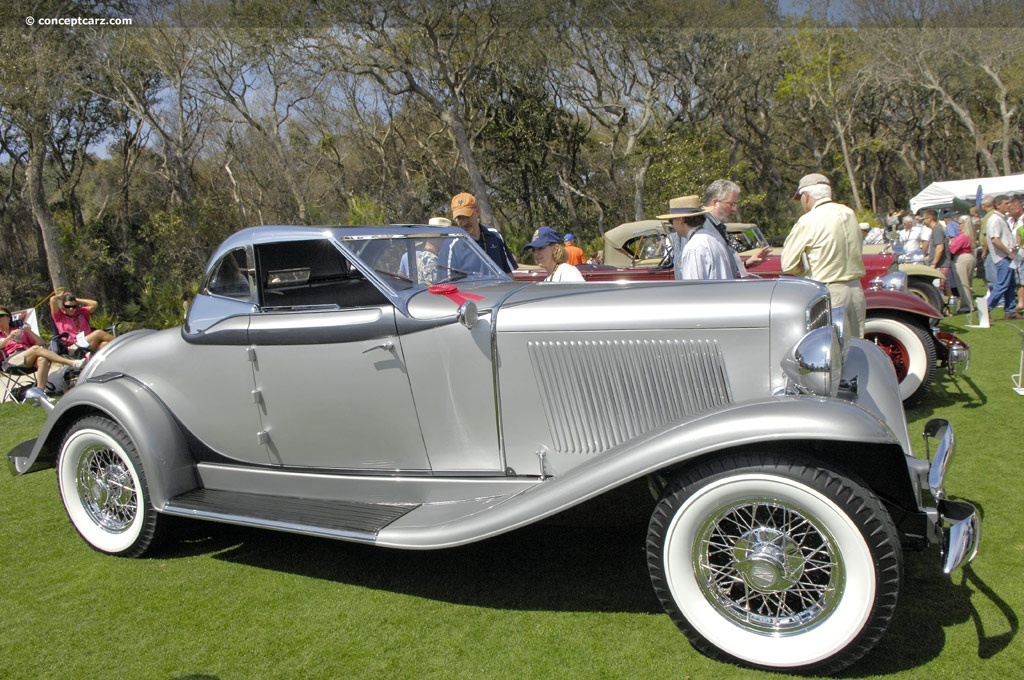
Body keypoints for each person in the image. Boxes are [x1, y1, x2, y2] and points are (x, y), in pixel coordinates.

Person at [781, 173, 867, 337]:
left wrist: (805, 271)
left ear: (806, 196)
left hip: (829, 290)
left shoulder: (809, 219)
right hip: (856, 289)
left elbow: (788, 264)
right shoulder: (849, 213)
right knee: (856, 345)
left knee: (830, 347)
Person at [1, 305, 85, 391]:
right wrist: (9, 337)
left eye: (1, 316)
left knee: (42, 359)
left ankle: (39, 393)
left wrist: (29, 332)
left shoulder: (18, 330)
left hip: (27, 356)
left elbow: (41, 343)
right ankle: (72, 363)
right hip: (10, 360)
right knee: (36, 349)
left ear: (8, 317)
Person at [700, 179, 769, 277]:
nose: (735, 209)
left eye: (735, 204)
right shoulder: (701, 228)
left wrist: (747, 263)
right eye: (731, 204)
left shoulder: (718, 227)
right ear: (715, 203)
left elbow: (721, 268)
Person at [658, 195, 733, 281]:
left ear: (681, 219)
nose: (673, 225)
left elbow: (693, 289)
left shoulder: (693, 248)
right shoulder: (714, 239)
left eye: (671, 221)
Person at [448, 192, 517, 273]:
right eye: (459, 218)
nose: (464, 222)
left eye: (467, 216)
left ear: (478, 211)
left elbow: (508, 274)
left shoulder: (495, 236)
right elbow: (447, 283)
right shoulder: (452, 246)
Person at [984, 194, 1019, 319]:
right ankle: (986, 309)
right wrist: (1008, 252)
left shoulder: (1002, 218)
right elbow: (995, 239)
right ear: (997, 206)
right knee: (1003, 284)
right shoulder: (994, 219)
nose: (1009, 206)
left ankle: (1010, 310)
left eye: (1009, 203)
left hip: (1008, 255)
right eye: (1006, 203)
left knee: (1011, 284)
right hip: (1002, 257)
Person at [49, 292, 114, 352]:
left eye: (74, 306)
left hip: (88, 341)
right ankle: (123, 343)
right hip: (74, 346)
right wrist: (60, 297)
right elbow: (53, 300)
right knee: (99, 333)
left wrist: (76, 299)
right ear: (63, 307)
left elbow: (94, 304)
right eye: (68, 307)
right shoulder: (59, 317)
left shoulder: (81, 313)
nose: (71, 309)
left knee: (104, 345)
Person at [923, 210, 952, 311]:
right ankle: (947, 310)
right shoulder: (936, 229)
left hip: (941, 264)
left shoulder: (937, 230)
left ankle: (941, 308)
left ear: (930, 219)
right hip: (940, 263)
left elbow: (940, 247)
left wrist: (933, 264)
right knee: (945, 288)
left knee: (939, 288)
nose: (923, 221)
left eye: (924, 219)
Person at [949, 214, 976, 315]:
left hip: (962, 259)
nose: (958, 225)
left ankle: (967, 305)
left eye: (959, 223)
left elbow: (952, 249)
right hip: (969, 257)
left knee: (962, 284)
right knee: (967, 283)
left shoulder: (962, 236)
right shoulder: (969, 235)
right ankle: (968, 303)